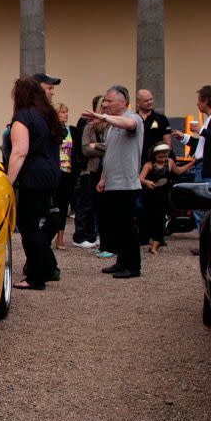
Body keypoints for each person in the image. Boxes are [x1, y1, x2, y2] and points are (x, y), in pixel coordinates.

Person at [6, 77, 63, 290]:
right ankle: (47, 268)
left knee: (29, 226)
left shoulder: (23, 117)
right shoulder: (48, 115)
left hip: (33, 177)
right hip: (51, 173)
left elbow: (19, 152)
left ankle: (35, 277)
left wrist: (8, 181)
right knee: (41, 222)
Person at [83, 85, 144, 279]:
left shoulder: (134, 118)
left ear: (123, 102)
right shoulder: (111, 127)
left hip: (126, 184)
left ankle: (133, 266)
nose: (105, 104)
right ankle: (121, 262)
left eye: (109, 101)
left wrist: (102, 118)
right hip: (112, 183)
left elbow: (129, 124)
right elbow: (110, 153)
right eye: (105, 101)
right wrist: (103, 178)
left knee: (127, 226)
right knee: (117, 226)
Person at [171, 85, 211, 236]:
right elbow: (204, 145)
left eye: (199, 100)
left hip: (209, 168)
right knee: (202, 205)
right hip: (204, 166)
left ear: (206, 101)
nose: (197, 104)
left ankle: (207, 241)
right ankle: (205, 240)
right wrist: (185, 138)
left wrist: (202, 131)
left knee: (202, 205)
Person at [139, 144, 193, 255]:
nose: (163, 159)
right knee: (148, 219)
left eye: (165, 156)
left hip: (163, 197)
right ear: (154, 155)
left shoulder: (169, 162)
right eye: (160, 157)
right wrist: (147, 182)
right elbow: (139, 178)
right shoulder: (149, 165)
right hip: (150, 196)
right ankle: (146, 239)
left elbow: (178, 171)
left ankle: (154, 246)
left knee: (160, 221)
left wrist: (191, 163)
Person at [72, 95, 104, 249]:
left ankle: (91, 235)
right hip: (89, 170)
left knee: (97, 205)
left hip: (102, 170)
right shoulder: (88, 126)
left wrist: (96, 146)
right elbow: (85, 149)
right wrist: (103, 147)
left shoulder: (109, 127)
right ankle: (80, 236)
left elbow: (111, 147)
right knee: (86, 203)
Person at [53, 103, 76, 250]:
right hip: (56, 171)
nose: (65, 114)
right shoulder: (52, 130)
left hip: (68, 171)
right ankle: (50, 235)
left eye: (66, 112)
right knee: (53, 205)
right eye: (62, 112)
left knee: (63, 205)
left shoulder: (71, 130)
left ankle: (60, 238)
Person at [136, 88, 170, 162]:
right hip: (136, 160)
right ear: (138, 103)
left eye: (151, 99)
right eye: (146, 101)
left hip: (156, 161)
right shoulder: (133, 119)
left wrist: (164, 160)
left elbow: (168, 142)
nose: (149, 102)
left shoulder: (161, 118)